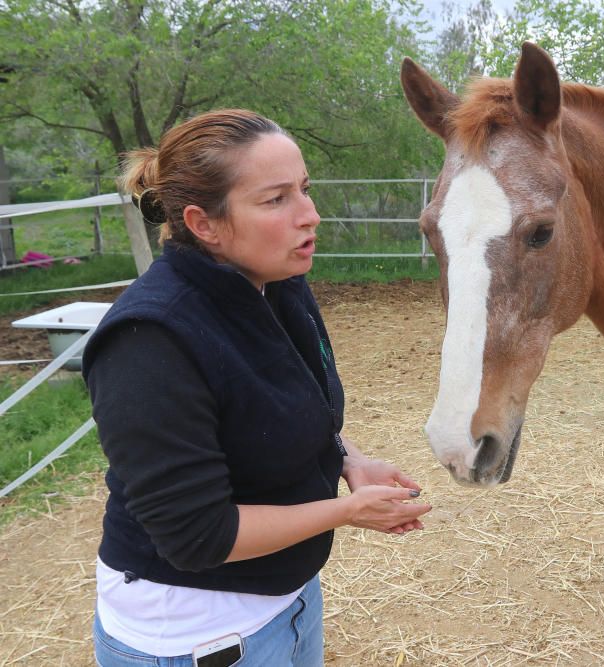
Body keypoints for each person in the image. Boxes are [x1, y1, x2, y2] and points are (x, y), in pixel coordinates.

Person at [82, 109, 432, 667]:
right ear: (205, 224)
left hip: (286, 597)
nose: (310, 215)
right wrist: (345, 511)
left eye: (305, 190)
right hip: (197, 637)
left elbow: (292, 412)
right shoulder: (150, 341)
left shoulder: (274, 283)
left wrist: (349, 461)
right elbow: (198, 536)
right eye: (277, 200)